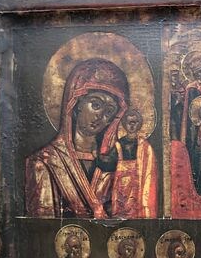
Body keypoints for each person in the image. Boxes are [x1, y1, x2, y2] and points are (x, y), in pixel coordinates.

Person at [26, 58, 129, 218]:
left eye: (109, 111)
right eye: (96, 105)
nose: (100, 116)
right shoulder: (45, 162)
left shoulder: (118, 164)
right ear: (77, 103)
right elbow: (43, 224)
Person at [111, 109, 159, 218]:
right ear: (124, 124)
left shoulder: (145, 146)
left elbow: (150, 169)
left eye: (135, 122)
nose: (132, 125)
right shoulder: (119, 143)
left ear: (140, 124)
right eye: (129, 122)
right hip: (121, 183)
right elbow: (109, 162)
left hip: (138, 181)